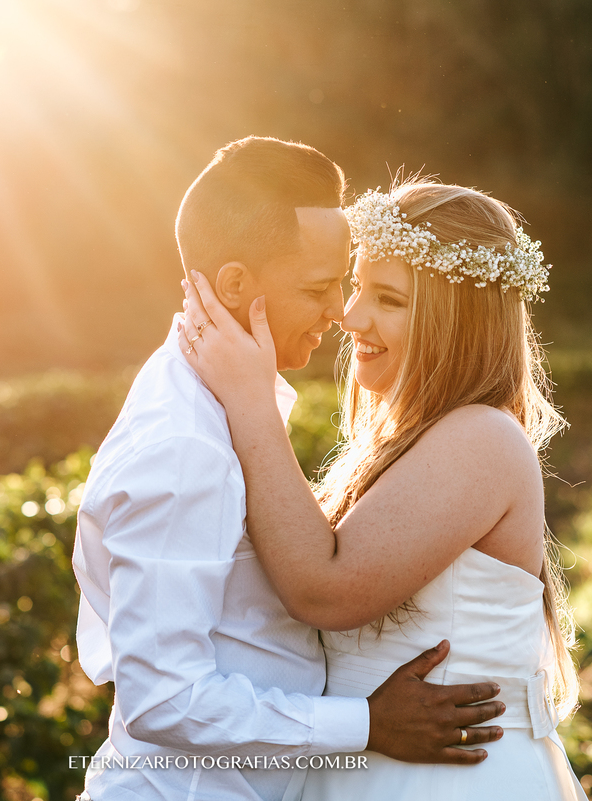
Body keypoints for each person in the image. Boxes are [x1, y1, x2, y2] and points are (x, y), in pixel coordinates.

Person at [71, 139, 508, 801]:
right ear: (237, 286)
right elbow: (163, 697)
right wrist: (364, 723)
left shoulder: (226, 408)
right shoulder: (184, 443)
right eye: (322, 287)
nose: (341, 312)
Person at [177, 178, 588, 799]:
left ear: (457, 321)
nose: (350, 314)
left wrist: (249, 400)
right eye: (358, 285)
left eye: (389, 299)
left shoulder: (481, 438)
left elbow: (325, 590)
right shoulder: (413, 441)